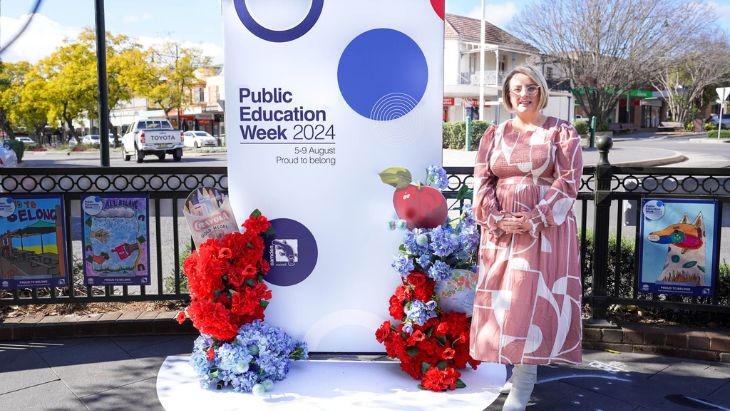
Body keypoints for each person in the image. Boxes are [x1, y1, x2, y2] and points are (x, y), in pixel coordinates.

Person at [469, 65, 583, 410]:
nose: (524, 94)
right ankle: (514, 370)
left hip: (544, 233)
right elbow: (483, 180)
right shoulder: (494, 133)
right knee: (505, 304)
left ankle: (523, 381)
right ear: (507, 94)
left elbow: (568, 181)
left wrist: (534, 218)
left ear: (542, 91)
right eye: (517, 88)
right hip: (501, 232)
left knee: (530, 304)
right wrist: (496, 217)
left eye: (531, 87)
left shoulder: (561, 132)